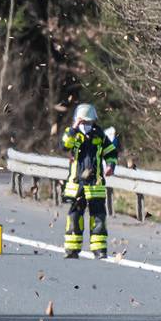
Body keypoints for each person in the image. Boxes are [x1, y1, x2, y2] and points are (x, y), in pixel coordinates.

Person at [62, 103, 117, 259]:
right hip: (76, 184)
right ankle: (72, 249)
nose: (85, 125)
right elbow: (64, 145)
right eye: (83, 122)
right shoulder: (72, 135)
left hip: (95, 185)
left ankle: (99, 250)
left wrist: (111, 165)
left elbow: (111, 152)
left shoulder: (100, 136)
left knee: (98, 217)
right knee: (74, 217)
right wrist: (74, 128)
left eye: (88, 122)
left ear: (94, 121)